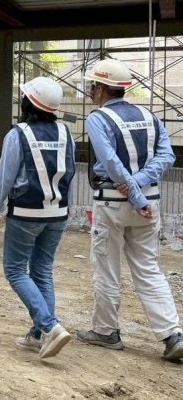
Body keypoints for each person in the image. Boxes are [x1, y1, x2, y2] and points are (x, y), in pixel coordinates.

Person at [76, 58, 183, 361]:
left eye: (92, 86)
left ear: (99, 88)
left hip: (113, 202)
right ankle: (172, 334)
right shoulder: (150, 116)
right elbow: (166, 156)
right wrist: (141, 187)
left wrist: (133, 191)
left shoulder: (99, 119)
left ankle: (106, 331)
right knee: (148, 269)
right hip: (150, 203)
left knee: (107, 269)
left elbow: (110, 162)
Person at [0, 77, 75, 359]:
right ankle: (38, 335)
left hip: (26, 214)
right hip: (57, 213)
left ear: (28, 103)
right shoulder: (65, 133)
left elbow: (5, 177)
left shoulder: (18, 134)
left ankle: (49, 327)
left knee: (14, 270)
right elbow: (70, 173)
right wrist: (67, 211)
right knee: (42, 271)